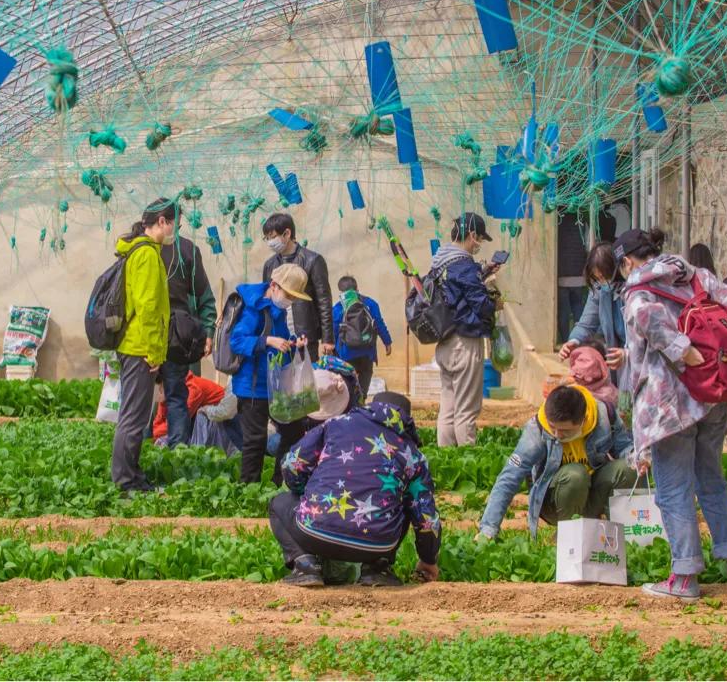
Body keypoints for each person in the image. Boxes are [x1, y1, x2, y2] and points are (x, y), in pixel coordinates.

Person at [614, 227, 727, 600]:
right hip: (714, 395)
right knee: (711, 479)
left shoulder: (637, 290)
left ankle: (684, 577)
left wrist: (684, 353)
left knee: (673, 489)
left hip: (670, 406)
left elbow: (649, 322)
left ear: (626, 262)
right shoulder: (698, 276)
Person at [269, 392, 441, 587]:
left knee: (278, 503)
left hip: (314, 531)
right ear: (407, 420)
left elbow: (293, 464)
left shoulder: (336, 423)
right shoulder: (413, 454)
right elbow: (426, 519)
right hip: (377, 544)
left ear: (369, 407)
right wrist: (428, 560)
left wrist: (301, 490)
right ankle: (377, 569)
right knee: (405, 503)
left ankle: (305, 564)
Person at [479, 385, 633, 540]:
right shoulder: (538, 429)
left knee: (629, 466)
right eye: (553, 428)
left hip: (592, 495)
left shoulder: (603, 416)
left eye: (565, 431)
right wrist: (488, 529)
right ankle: (567, 537)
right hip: (555, 502)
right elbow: (510, 477)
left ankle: (621, 534)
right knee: (576, 474)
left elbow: (625, 448)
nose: (557, 435)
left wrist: (639, 458)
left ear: (584, 420)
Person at [110, 198, 176, 494]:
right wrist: (153, 352)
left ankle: (133, 475)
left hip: (134, 345)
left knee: (135, 415)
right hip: (139, 347)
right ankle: (126, 481)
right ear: (162, 221)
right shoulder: (147, 255)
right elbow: (148, 308)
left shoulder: (139, 251)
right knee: (134, 418)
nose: (174, 229)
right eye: (173, 222)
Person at [229, 263, 311, 484]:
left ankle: (279, 482)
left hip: (275, 385)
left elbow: (282, 341)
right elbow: (237, 341)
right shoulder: (251, 308)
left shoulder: (279, 311)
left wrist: (295, 344)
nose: (290, 301)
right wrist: (267, 341)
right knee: (255, 439)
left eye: (294, 298)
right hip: (252, 386)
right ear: (274, 286)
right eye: (289, 295)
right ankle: (248, 489)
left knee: (293, 431)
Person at [431, 212, 498, 446]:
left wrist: (483, 271)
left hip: (445, 342)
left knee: (448, 407)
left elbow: (457, 290)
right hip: (465, 342)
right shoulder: (465, 264)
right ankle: (468, 461)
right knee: (466, 411)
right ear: (472, 235)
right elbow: (480, 305)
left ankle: (445, 459)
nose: (478, 244)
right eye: (479, 238)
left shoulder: (439, 261)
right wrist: (495, 304)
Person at [161, 230, 218, 448]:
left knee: (179, 395)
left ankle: (178, 449)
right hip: (154, 337)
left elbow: (205, 298)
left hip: (182, 340)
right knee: (149, 396)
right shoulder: (143, 250)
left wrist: (208, 332)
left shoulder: (186, 250)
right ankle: (151, 443)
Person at [261, 214, 334, 361]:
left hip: (305, 333)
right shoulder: (269, 265)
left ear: (287, 234)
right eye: (266, 238)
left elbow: (324, 300)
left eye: (272, 237)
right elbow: (266, 300)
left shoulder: (313, 260)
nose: (270, 242)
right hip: (278, 336)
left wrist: (327, 338)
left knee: (306, 380)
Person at [559, 244, 626, 373]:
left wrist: (628, 354)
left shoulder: (632, 292)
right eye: (597, 278)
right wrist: (574, 341)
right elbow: (586, 324)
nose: (602, 282)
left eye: (604, 276)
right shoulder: (599, 289)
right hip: (615, 360)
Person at [151, 372, 242, 454]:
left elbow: (176, 424)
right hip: (212, 420)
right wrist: (163, 402)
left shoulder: (193, 389)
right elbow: (159, 427)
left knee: (194, 419)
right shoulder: (175, 388)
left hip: (225, 425)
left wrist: (156, 432)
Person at [330, 277, 392, 396]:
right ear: (357, 288)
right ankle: (362, 402)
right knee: (364, 380)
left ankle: (350, 407)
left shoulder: (338, 308)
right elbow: (379, 323)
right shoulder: (370, 303)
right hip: (367, 351)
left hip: (346, 353)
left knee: (347, 386)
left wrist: (332, 349)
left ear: (341, 291)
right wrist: (387, 342)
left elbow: (334, 330)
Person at [556, 214, 590, 347]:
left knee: (563, 312)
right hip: (579, 276)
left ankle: (566, 341)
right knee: (578, 310)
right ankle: (580, 342)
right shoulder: (583, 223)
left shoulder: (558, 223)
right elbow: (588, 247)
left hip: (562, 275)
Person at [563, 339, 618, 408]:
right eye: (580, 360)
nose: (579, 367)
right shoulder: (571, 389)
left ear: (601, 366)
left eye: (586, 362)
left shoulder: (607, 396)